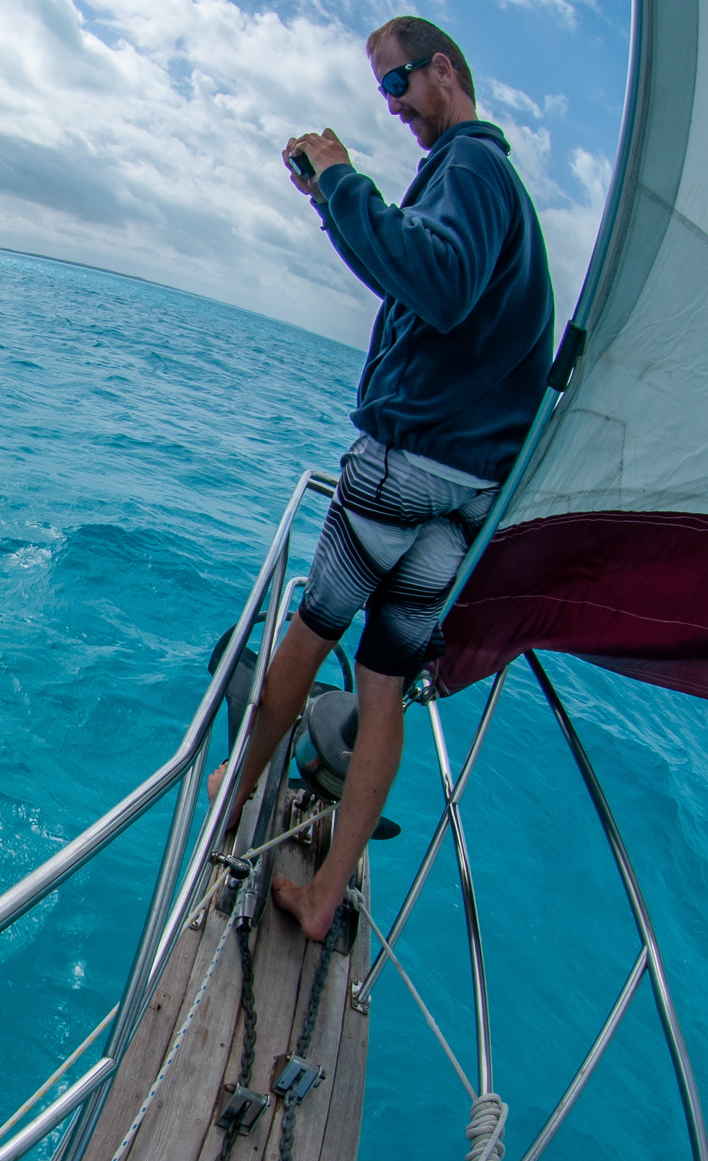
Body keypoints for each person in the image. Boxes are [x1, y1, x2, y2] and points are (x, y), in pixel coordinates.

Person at [219, 16, 555, 941]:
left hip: (407, 463)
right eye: (383, 93)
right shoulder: (500, 198)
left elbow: (434, 283)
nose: (395, 106)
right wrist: (339, 204)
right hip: (468, 495)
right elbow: (420, 278)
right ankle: (325, 897)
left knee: (310, 628)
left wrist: (341, 178)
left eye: (399, 84)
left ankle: (230, 790)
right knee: (380, 684)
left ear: (444, 70)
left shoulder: (472, 169)